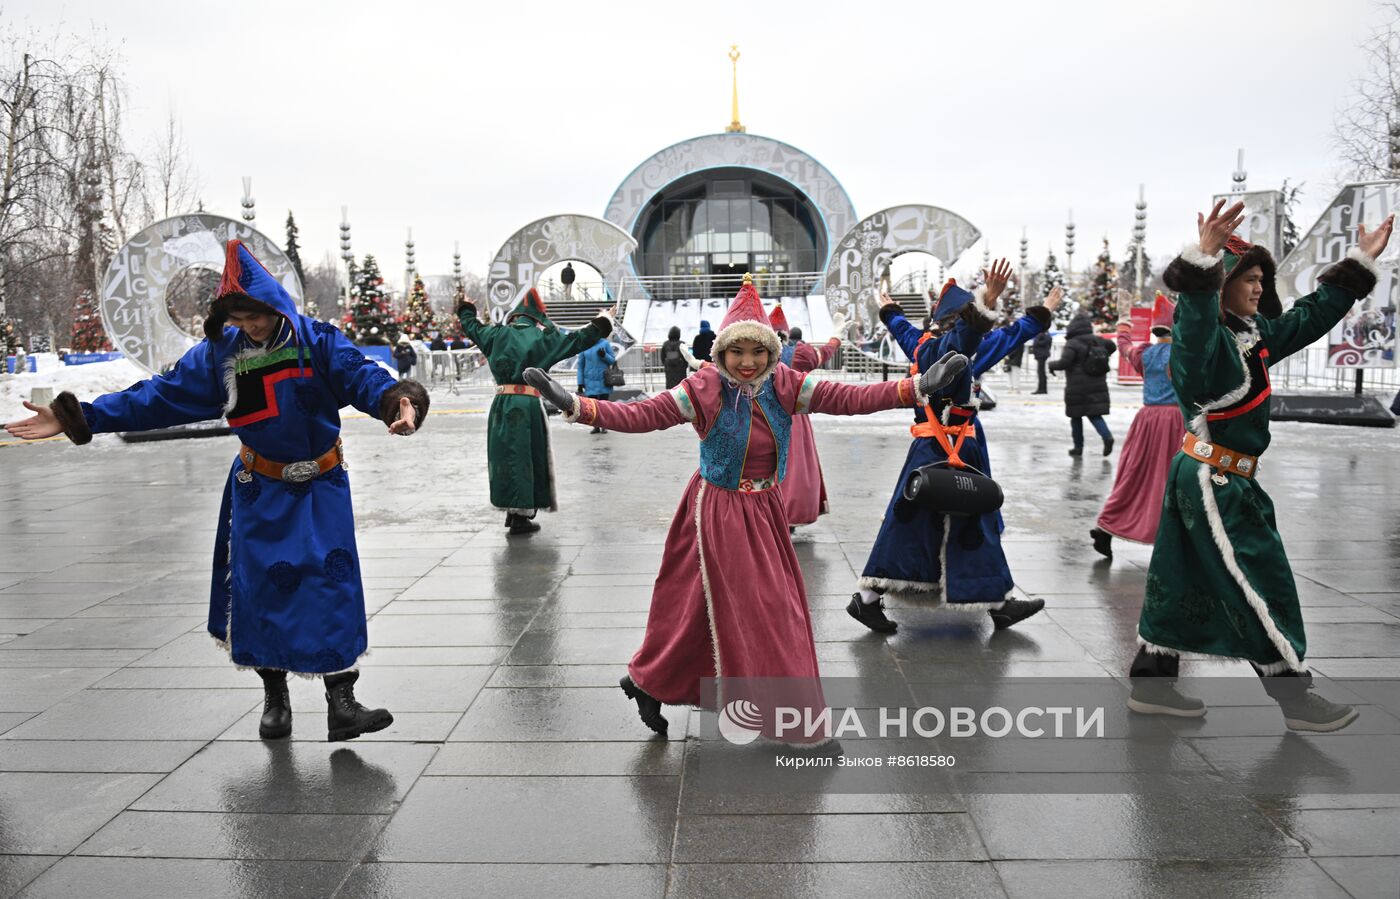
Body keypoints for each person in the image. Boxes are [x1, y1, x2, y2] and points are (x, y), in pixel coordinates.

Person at [4, 240, 428, 742]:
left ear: (275, 306)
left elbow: (360, 375)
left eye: (256, 317)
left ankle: (342, 702)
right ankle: (275, 699)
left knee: (330, 580)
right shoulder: (219, 355)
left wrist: (397, 400)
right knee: (262, 586)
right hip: (259, 488)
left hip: (320, 485)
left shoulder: (316, 341)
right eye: (239, 318)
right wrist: (84, 417)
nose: (249, 327)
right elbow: (158, 397)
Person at [521, 274, 967, 737]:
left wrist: (913, 388)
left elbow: (848, 396)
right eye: (738, 351)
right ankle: (794, 722)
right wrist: (575, 405)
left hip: (765, 509)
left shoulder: (786, 383)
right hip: (716, 510)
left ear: (772, 353)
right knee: (769, 610)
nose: (748, 362)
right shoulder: (702, 389)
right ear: (721, 353)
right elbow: (641, 414)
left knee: (703, 609)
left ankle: (647, 682)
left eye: (758, 351)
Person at [1128, 200, 1393, 732]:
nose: (1256, 288)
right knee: (1260, 579)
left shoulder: (1253, 337)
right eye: (1245, 279)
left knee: (1181, 580)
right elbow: (1195, 329)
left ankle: (1152, 683)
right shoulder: (1202, 343)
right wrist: (1200, 265)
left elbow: (1308, 317)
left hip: (1213, 476)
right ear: (1219, 285)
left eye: (1259, 279)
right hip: (1214, 480)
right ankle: (1295, 696)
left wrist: (1358, 264)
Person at [849, 260, 1060, 635]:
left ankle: (997, 602)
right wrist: (993, 306)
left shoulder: (922, 343)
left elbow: (903, 329)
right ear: (956, 321)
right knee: (947, 522)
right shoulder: (957, 346)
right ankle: (870, 598)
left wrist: (889, 310)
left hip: (942, 445)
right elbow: (996, 336)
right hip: (950, 446)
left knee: (930, 522)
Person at [456, 289, 612, 535]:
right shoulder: (543, 339)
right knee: (527, 457)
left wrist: (466, 308)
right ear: (537, 317)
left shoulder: (496, 334)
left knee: (506, 457)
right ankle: (522, 515)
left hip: (501, 403)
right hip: (528, 403)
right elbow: (577, 340)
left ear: (515, 316)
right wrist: (603, 321)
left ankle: (512, 510)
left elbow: (471, 326)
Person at [1090, 292, 1182, 559]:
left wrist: (1123, 319)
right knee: (1172, 479)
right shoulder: (1183, 355)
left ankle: (1106, 526)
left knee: (1133, 477)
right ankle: (1171, 535)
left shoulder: (1146, 354)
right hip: (1176, 422)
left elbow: (1124, 345)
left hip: (1146, 421)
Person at [773, 316, 851, 529]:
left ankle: (767, 513)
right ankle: (789, 512)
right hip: (795, 414)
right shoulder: (800, 353)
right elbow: (824, 353)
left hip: (764, 412)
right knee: (795, 465)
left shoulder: (759, 352)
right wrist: (836, 334)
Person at [1049, 312, 1116, 456]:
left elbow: (1064, 363)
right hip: (1097, 384)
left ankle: (1078, 447)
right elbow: (1112, 346)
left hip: (1077, 386)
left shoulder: (1073, 343)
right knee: (1095, 415)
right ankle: (1107, 436)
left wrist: (1051, 365)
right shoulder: (1099, 341)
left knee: (1076, 417)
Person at [576, 336, 617, 434]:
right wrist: (580, 383)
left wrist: (604, 355)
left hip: (604, 379)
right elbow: (580, 366)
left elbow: (612, 361)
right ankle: (596, 426)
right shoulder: (584, 345)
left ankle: (604, 425)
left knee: (604, 404)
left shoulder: (605, 343)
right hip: (589, 380)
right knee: (592, 405)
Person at [1031, 328, 1053, 394]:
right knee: (1041, 372)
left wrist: (1036, 341)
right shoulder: (1044, 335)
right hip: (1041, 355)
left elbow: (1038, 343)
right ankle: (1042, 389)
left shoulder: (1044, 335)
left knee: (1041, 373)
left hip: (1041, 355)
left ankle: (1042, 389)